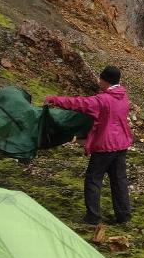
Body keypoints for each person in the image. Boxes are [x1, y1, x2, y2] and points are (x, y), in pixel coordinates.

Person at [45, 66, 133, 226]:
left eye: (100, 79)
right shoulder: (123, 97)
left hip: (106, 145)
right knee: (119, 180)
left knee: (93, 178)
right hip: (121, 143)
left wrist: (54, 99)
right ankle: (124, 217)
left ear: (105, 80)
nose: (99, 81)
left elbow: (79, 103)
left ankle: (93, 217)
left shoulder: (102, 100)